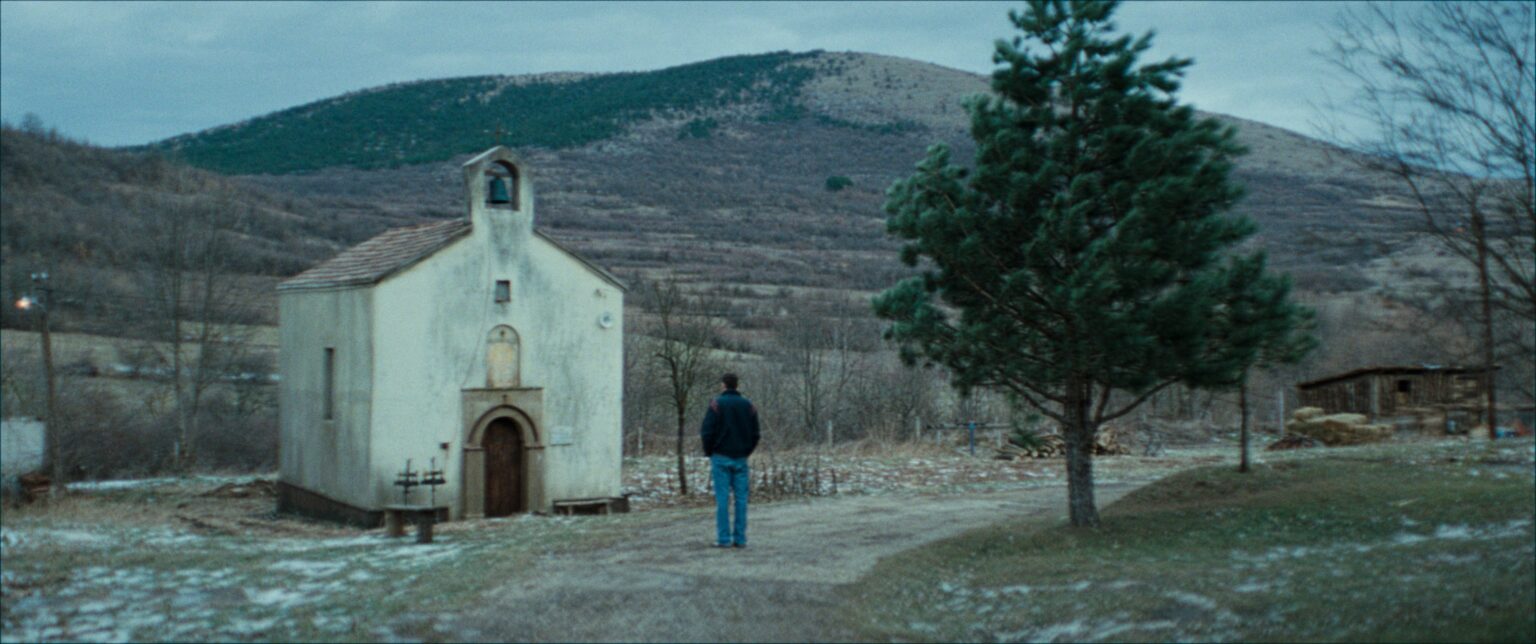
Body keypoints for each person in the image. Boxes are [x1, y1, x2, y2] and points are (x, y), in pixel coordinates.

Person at [700, 372, 760, 548]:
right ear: (737, 385)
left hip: (720, 456)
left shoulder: (716, 404)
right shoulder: (748, 405)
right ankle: (740, 538)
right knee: (741, 500)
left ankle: (724, 539)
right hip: (741, 457)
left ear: (723, 385)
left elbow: (707, 431)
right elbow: (756, 434)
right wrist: (746, 451)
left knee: (722, 500)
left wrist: (710, 451)